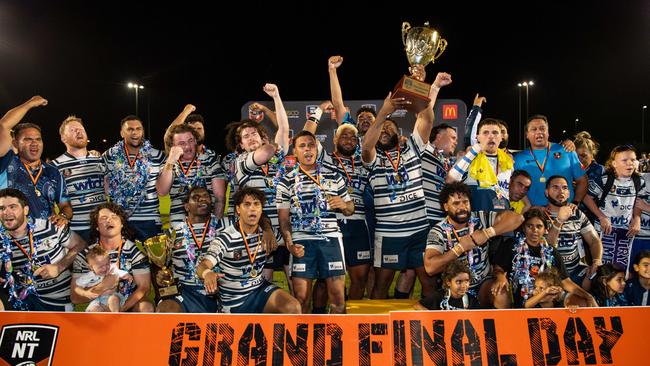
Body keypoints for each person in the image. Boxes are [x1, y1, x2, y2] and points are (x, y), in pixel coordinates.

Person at [362, 72, 451, 300]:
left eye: (389, 128)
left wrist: (421, 87)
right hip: (389, 233)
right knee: (381, 286)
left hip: (419, 231)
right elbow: (365, 147)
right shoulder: (372, 160)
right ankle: (376, 331)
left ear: (399, 132)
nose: (384, 131)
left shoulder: (412, 147)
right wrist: (383, 114)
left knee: (428, 283)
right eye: (381, 129)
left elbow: (426, 119)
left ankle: (432, 327)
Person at [277, 130, 354, 313]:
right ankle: (304, 340)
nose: (307, 150)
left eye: (311, 145)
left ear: (317, 149)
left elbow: (351, 208)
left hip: (331, 240)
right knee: (301, 299)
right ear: (294, 152)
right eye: (302, 146)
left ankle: (337, 340)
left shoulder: (333, 175)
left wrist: (343, 204)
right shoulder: (285, 181)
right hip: (301, 241)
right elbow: (283, 219)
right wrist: (289, 243)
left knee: (337, 297)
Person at [196, 187, 301, 313]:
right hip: (234, 301)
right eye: (247, 204)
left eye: (257, 204)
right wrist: (207, 273)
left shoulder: (267, 235)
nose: (252, 208)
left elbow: (289, 242)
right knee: (244, 332)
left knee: (292, 307)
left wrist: (293, 247)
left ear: (262, 209)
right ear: (238, 210)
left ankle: (275, 333)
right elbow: (203, 265)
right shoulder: (225, 238)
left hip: (259, 291)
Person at [424, 182, 523, 308]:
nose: (462, 207)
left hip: (482, 284)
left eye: (465, 202)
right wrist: (459, 248)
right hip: (455, 287)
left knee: (501, 293)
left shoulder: (480, 218)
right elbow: (430, 268)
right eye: (456, 203)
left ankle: (502, 327)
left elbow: (517, 218)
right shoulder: (438, 231)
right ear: (446, 207)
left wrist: (487, 233)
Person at [230, 84, 291, 287]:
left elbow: (283, 129)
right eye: (246, 136)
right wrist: (276, 145)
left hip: (286, 231)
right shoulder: (242, 161)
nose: (251, 138)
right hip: (260, 234)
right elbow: (265, 153)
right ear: (241, 145)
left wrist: (276, 96)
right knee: (262, 285)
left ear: (261, 135)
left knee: (297, 284)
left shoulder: (276, 159)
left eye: (253, 133)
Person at [0, 188, 85, 311]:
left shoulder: (50, 226)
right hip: (24, 303)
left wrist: (59, 267)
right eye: (2, 208)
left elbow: (80, 245)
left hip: (58, 301)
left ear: (25, 210)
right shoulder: (1, 240)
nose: (6, 212)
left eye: (12, 207)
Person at [492, 208, 597, 308]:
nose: (534, 230)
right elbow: (498, 269)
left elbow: (565, 281)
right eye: (530, 226)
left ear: (545, 230)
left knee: (582, 301)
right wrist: (500, 276)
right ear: (524, 228)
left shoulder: (551, 251)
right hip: (522, 300)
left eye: (539, 226)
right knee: (499, 290)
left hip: (547, 299)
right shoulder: (512, 245)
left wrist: (587, 295)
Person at [156, 186, 233, 313]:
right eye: (196, 197)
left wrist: (268, 229)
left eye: (206, 196)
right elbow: (161, 266)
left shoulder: (226, 226)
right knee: (165, 309)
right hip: (185, 291)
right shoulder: (173, 233)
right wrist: (161, 276)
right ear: (187, 207)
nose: (202, 199)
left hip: (219, 289)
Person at [0, 96, 72, 225]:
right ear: (15, 143)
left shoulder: (53, 172)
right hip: (13, 239)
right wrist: (30, 103)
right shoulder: (6, 164)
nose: (34, 143)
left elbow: (65, 206)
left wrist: (63, 216)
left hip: (47, 238)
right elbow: (4, 125)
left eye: (38, 139)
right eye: (28, 139)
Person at [71, 203, 153, 312]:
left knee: (146, 307)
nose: (109, 220)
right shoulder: (85, 255)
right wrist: (101, 287)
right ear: (96, 226)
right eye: (104, 218)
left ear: (122, 223)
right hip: (98, 305)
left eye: (114, 217)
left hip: (126, 304)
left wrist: (120, 308)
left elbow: (144, 288)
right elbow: (75, 297)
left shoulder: (135, 251)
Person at [103, 115, 166, 241]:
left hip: (150, 221)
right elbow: (105, 185)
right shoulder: (110, 155)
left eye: (138, 129)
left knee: (153, 259)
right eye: (130, 129)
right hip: (120, 221)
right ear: (122, 133)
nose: (135, 132)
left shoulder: (157, 155)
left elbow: (164, 187)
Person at [583, 145, 645, 271]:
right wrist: (601, 216)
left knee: (622, 268)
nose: (630, 163)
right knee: (603, 269)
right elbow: (586, 198)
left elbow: (639, 202)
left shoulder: (639, 181)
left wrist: (637, 219)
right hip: (604, 231)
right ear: (614, 164)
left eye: (633, 160)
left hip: (625, 231)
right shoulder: (605, 180)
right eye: (624, 160)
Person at [157, 123, 226, 224]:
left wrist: (215, 225)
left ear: (196, 141)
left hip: (207, 223)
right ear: (173, 146)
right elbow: (162, 191)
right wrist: (171, 161)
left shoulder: (209, 161)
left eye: (190, 141)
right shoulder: (169, 164)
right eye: (181, 143)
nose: (187, 146)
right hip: (179, 224)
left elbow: (220, 199)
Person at [52, 116, 106, 242]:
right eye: (72, 130)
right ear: (63, 138)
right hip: (77, 231)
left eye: (81, 129)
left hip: (102, 228)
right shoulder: (55, 167)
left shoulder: (99, 160)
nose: (79, 131)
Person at [514, 115, 587, 206]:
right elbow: (513, 187)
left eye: (542, 128)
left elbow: (582, 181)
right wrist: (529, 206)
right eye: (534, 129)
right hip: (535, 215)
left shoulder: (566, 151)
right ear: (527, 135)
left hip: (564, 211)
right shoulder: (518, 159)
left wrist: (575, 203)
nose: (539, 132)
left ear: (548, 132)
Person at [543, 175, 603, 285]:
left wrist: (596, 261)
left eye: (565, 188)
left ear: (569, 193)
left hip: (575, 271)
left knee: (599, 279)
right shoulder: (540, 215)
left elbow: (594, 240)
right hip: (550, 273)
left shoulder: (577, 214)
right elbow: (548, 247)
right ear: (546, 192)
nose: (561, 191)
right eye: (555, 187)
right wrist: (559, 221)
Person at [447, 118, 514, 212]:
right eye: (485, 133)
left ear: (501, 137)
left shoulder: (508, 162)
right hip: (476, 220)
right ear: (478, 137)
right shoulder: (468, 158)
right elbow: (450, 181)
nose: (491, 136)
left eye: (495, 133)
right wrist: (473, 151)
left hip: (500, 219)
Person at [74, 245, 133, 312]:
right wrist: (85, 293)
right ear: (91, 267)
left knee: (114, 299)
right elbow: (77, 287)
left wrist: (127, 275)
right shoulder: (88, 277)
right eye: (100, 266)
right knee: (94, 309)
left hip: (112, 296)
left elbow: (120, 272)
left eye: (107, 264)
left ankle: (115, 317)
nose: (105, 268)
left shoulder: (112, 269)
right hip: (97, 300)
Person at [415, 260, 480, 310]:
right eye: (458, 282)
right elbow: (417, 305)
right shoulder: (439, 296)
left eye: (466, 281)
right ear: (448, 282)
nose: (463, 286)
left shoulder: (471, 300)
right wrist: (430, 316)